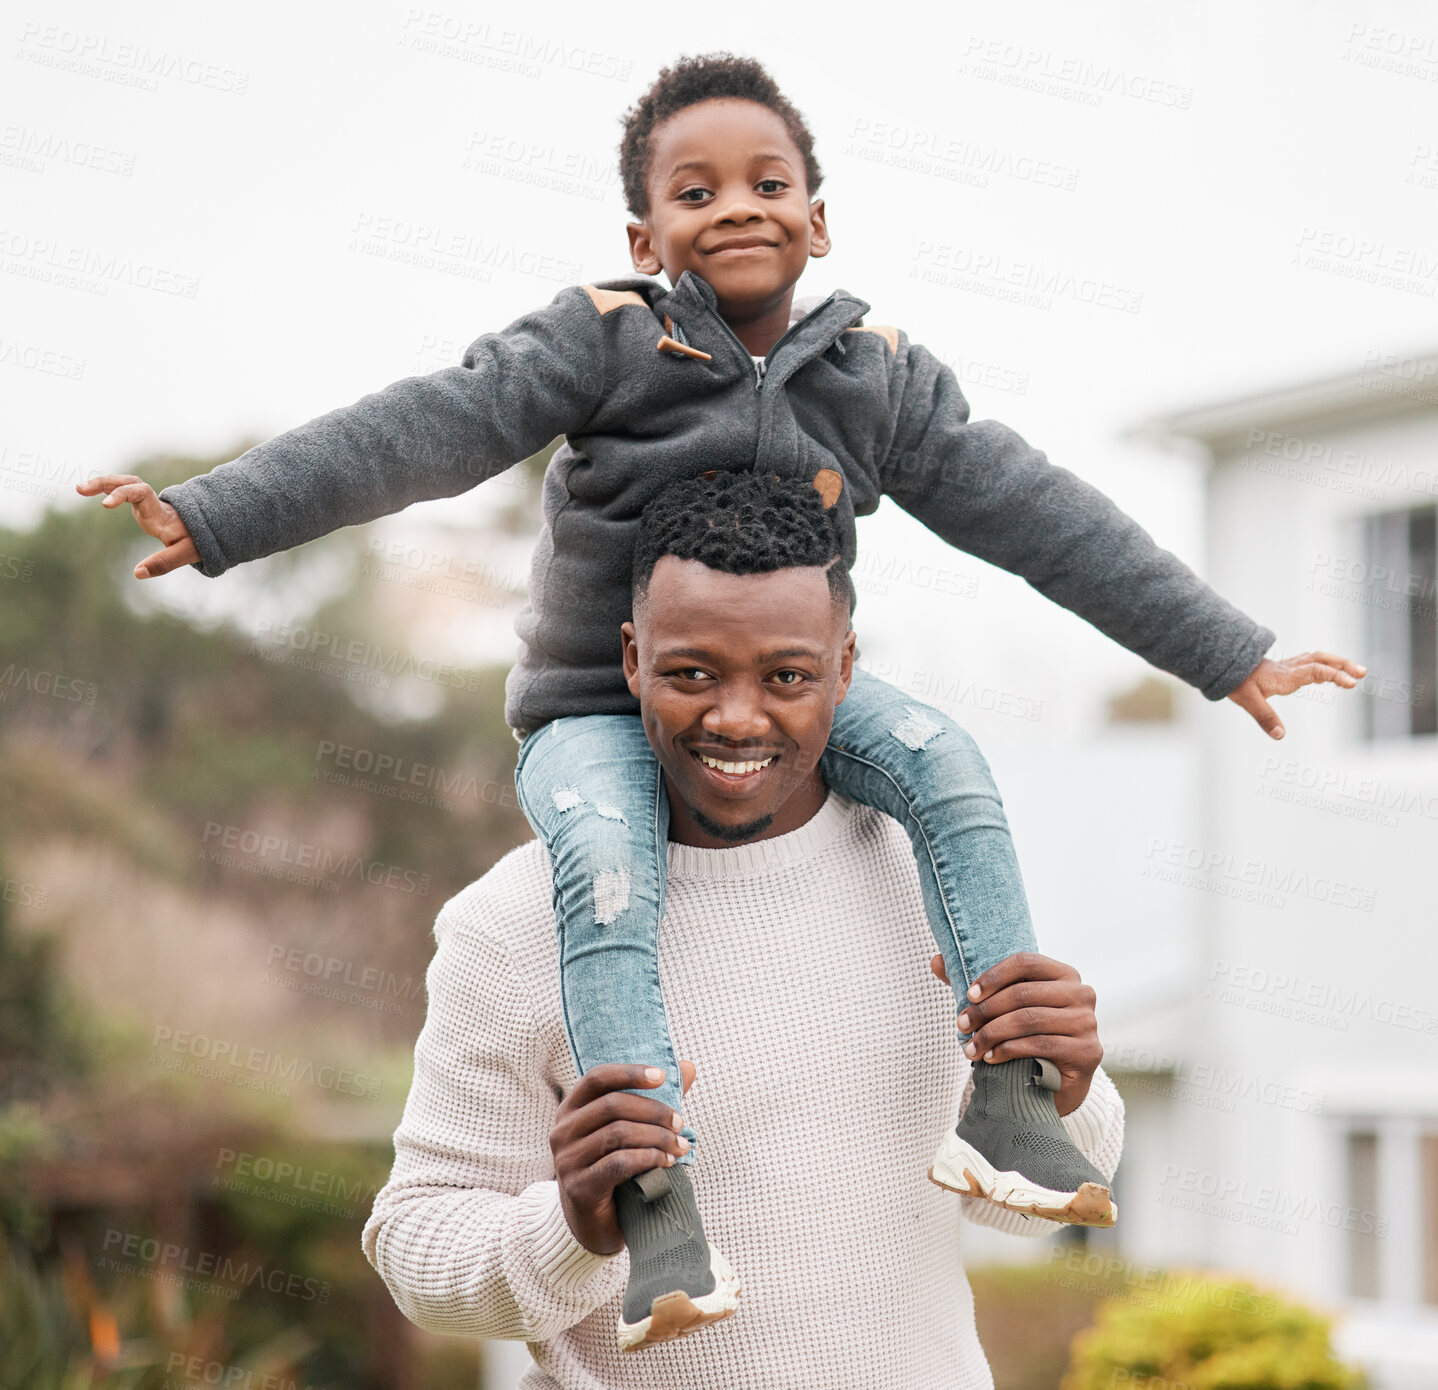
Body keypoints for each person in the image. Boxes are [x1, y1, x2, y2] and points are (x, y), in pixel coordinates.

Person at [78, 50, 1362, 1334]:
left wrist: (1221, 647)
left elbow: (1036, 512)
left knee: (952, 765)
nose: (737, 205)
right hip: (590, 712)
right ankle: (652, 1202)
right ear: (647, 234)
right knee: (609, 873)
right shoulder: (604, 341)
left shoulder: (877, 377)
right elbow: (425, 428)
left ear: (818, 214)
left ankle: (1014, 1099)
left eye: (768, 181)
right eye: (696, 191)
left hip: (802, 708)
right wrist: (218, 512)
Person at [362, 471, 1124, 1384]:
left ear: (845, 667)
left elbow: (1009, 1211)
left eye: (787, 676)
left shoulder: (924, 875)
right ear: (633, 659)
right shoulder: (515, 920)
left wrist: (1069, 1089)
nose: (735, 717)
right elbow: (418, 1255)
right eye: (691, 673)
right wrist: (570, 1223)